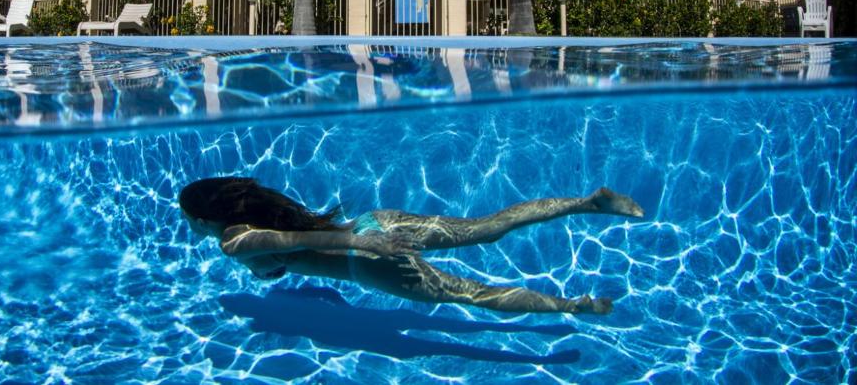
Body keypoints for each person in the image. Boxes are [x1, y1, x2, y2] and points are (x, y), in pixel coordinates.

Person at [179, 177, 645, 315]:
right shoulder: (258, 211)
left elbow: (300, 241)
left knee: (472, 294)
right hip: (373, 221)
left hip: (367, 258)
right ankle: (587, 202)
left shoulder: (233, 241)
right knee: (485, 226)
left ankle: (574, 306)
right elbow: (294, 240)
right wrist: (367, 233)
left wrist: (367, 246)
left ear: (203, 218)